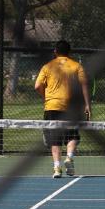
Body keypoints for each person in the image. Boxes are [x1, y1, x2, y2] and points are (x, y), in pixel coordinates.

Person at [34, 39, 90, 179]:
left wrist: (47, 97)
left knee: (55, 140)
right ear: (69, 52)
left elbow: (37, 86)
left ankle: (57, 168)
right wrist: (87, 104)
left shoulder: (47, 66)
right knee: (73, 136)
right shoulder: (77, 66)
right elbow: (84, 86)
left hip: (52, 107)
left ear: (55, 52)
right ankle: (69, 157)